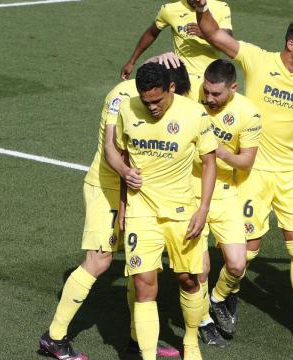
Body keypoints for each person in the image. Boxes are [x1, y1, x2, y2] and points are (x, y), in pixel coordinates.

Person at [191, 0, 293, 346]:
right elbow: (214, 34)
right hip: (252, 173)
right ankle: (222, 293)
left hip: (291, 173)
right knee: (250, 250)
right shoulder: (258, 59)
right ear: (291, 44)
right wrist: (201, 8)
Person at [38, 55, 189, 360]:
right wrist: (122, 208)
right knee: (100, 260)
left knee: (140, 265)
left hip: (137, 191)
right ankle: (54, 337)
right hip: (107, 187)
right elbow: (115, 154)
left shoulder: (155, 95)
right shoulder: (121, 99)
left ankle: (141, 339)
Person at [109, 62, 217, 360]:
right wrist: (122, 205)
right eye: (146, 101)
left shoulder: (194, 114)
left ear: (171, 88)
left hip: (183, 213)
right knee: (144, 286)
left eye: (157, 100)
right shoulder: (128, 110)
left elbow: (209, 162)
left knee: (189, 280)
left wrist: (203, 209)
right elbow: (121, 156)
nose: (152, 107)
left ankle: (191, 342)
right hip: (141, 211)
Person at [187, 59, 262, 347]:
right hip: (188, 191)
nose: (208, 99)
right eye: (206, 91)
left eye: (216, 94)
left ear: (233, 88)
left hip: (225, 191)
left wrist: (217, 150)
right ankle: (204, 321)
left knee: (236, 264)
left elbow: (246, 161)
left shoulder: (248, 113)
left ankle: (219, 297)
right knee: (200, 268)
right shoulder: (193, 94)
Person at [120, 0, 232, 80]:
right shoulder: (170, 10)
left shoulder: (221, 7)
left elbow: (229, 40)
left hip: (211, 76)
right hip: (183, 77)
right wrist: (131, 62)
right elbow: (151, 33)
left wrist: (207, 34)